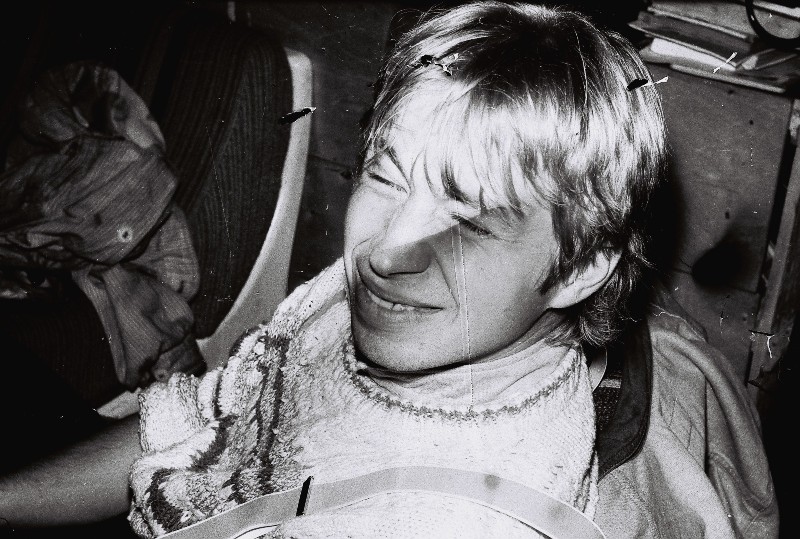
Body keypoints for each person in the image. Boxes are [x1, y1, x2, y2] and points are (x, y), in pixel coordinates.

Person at [0, 2, 778, 537]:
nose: (385, 251)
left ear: (579, 268)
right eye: (387, 175)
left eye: (468, 219)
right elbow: (204, 419)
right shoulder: (374, 298)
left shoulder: (454, 519)